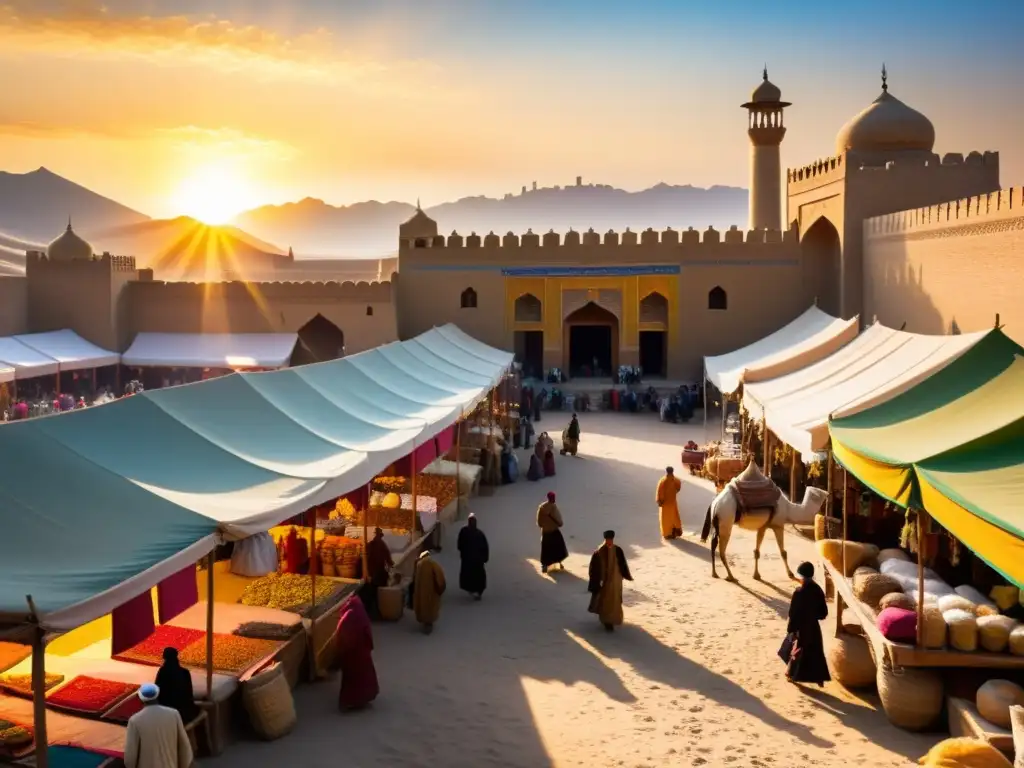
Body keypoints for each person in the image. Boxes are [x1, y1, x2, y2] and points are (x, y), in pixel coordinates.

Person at [783, 562, 831, 686]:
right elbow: (823, 612)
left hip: (801, 627)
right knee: (816, 652)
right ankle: (819, 678)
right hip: (814, 627)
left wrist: (791, 628)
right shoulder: (817, 589)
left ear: (802, 575)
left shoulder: (798, 592)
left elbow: (792, 613)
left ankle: (791, 674)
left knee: (798, 650)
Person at [124, 683, 193, 768]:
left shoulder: (135, 720)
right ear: (158, 696)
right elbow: (185, 748)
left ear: (140, 699)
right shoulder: (174, 714)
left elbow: (130, 758)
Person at [336, 595, 379, 710]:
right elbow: (368, 633)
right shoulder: (359, 612)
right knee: (363, 677)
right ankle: (361, 700)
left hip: (352, 652)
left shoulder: (349, 615)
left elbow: (341, 633)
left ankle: (350, 702)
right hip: (361, 651)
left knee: (352, 679)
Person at [587, 530, 633, 631]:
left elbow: (622, 564)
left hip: (616, 580)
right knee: (605, 601)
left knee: (615, 600)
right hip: (605, 582)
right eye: (607, 539)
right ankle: (607, 621)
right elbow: (593, 568)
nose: (609, 541)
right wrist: (597, 581)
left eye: (610, 539)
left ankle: (613, 619)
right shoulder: (599, 552)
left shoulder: (617, 550)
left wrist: (624, 575)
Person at [154, 648, 198, 724]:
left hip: (168, 710)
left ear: (164, 657)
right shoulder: (185, 672)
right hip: (184, 711)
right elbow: (189, 693)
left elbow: (156, 691)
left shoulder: (163, 671)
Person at [412, 550, 446, 634]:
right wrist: (441, 588)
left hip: (421, 591)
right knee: (430, 607)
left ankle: (424, 622)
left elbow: (415, 579)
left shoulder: (418, 565)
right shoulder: (433, 564)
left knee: (422, 606)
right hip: (431, 590)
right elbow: (440, 578)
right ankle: (429, 623)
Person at [457, 513, 490, 599]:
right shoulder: (480, 534)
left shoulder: (464, 532)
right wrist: (485, 558)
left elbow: (460, 545)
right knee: (478, 576)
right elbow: (485, 547)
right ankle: (478, 591)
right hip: (478, 561)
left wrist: (463, 553)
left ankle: (472, 589)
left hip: (467, 559)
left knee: (469, 575)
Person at [537, 491, 569, 574]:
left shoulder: (542, 507)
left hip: (546, 532)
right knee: (558, 548)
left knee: (546, 549)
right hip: (554, 531)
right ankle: (559, 562)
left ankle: (544, 565)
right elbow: (559, 521)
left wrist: (544, 525)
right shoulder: (553, 507)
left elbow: (539, 522)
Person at [656, 466, 683, 539]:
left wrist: (659, 501)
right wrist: (674, 492)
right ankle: (676, 531)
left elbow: (660, 491)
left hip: (665, 504)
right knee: (674, 517)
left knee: (666, 519)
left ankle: (667, 534)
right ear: (672, 471)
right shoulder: (675, 480)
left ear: (666, 471)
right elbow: (678, 487)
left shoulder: (663, 480)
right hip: (673, 503)